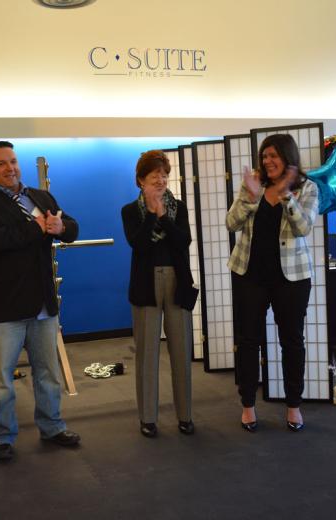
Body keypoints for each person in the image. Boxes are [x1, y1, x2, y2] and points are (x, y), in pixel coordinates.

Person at [0, 141, 81, 461]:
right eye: (1, 164)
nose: (10, 168)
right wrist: (38, 228)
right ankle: (1, 437)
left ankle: (53, 426)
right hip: (4, 308)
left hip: (42, 304)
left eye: (13, 161)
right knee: (1, 380)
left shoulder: (40, 197)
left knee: (48, 373)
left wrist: (60, 227)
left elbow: (71, 228)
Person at [225, 133, 318, 433]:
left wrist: (287, 195)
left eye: (273, 156)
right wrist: (251, 199)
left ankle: (293, 406)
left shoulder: (307, 187)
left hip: (291, 278)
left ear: (288, 157)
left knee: (292, 341)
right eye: (264, 156)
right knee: (248, 341)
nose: (267, 161)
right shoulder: (253, 183)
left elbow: (303, 227)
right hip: (250, 275)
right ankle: (248, 406)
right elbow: (231, 223)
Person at [121, 150, 198, 438]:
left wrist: (163, 215)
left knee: (181, 350)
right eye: (155, 176)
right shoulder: (130, 211)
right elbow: (138, 244)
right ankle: (148, 418)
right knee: (147, 353)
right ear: (141, 180)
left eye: (165, 175)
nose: (161, 180)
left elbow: (183, 241)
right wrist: (151, 215)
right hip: (145, 283)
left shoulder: (178, 207)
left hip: (177, 281)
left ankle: (185, 416)